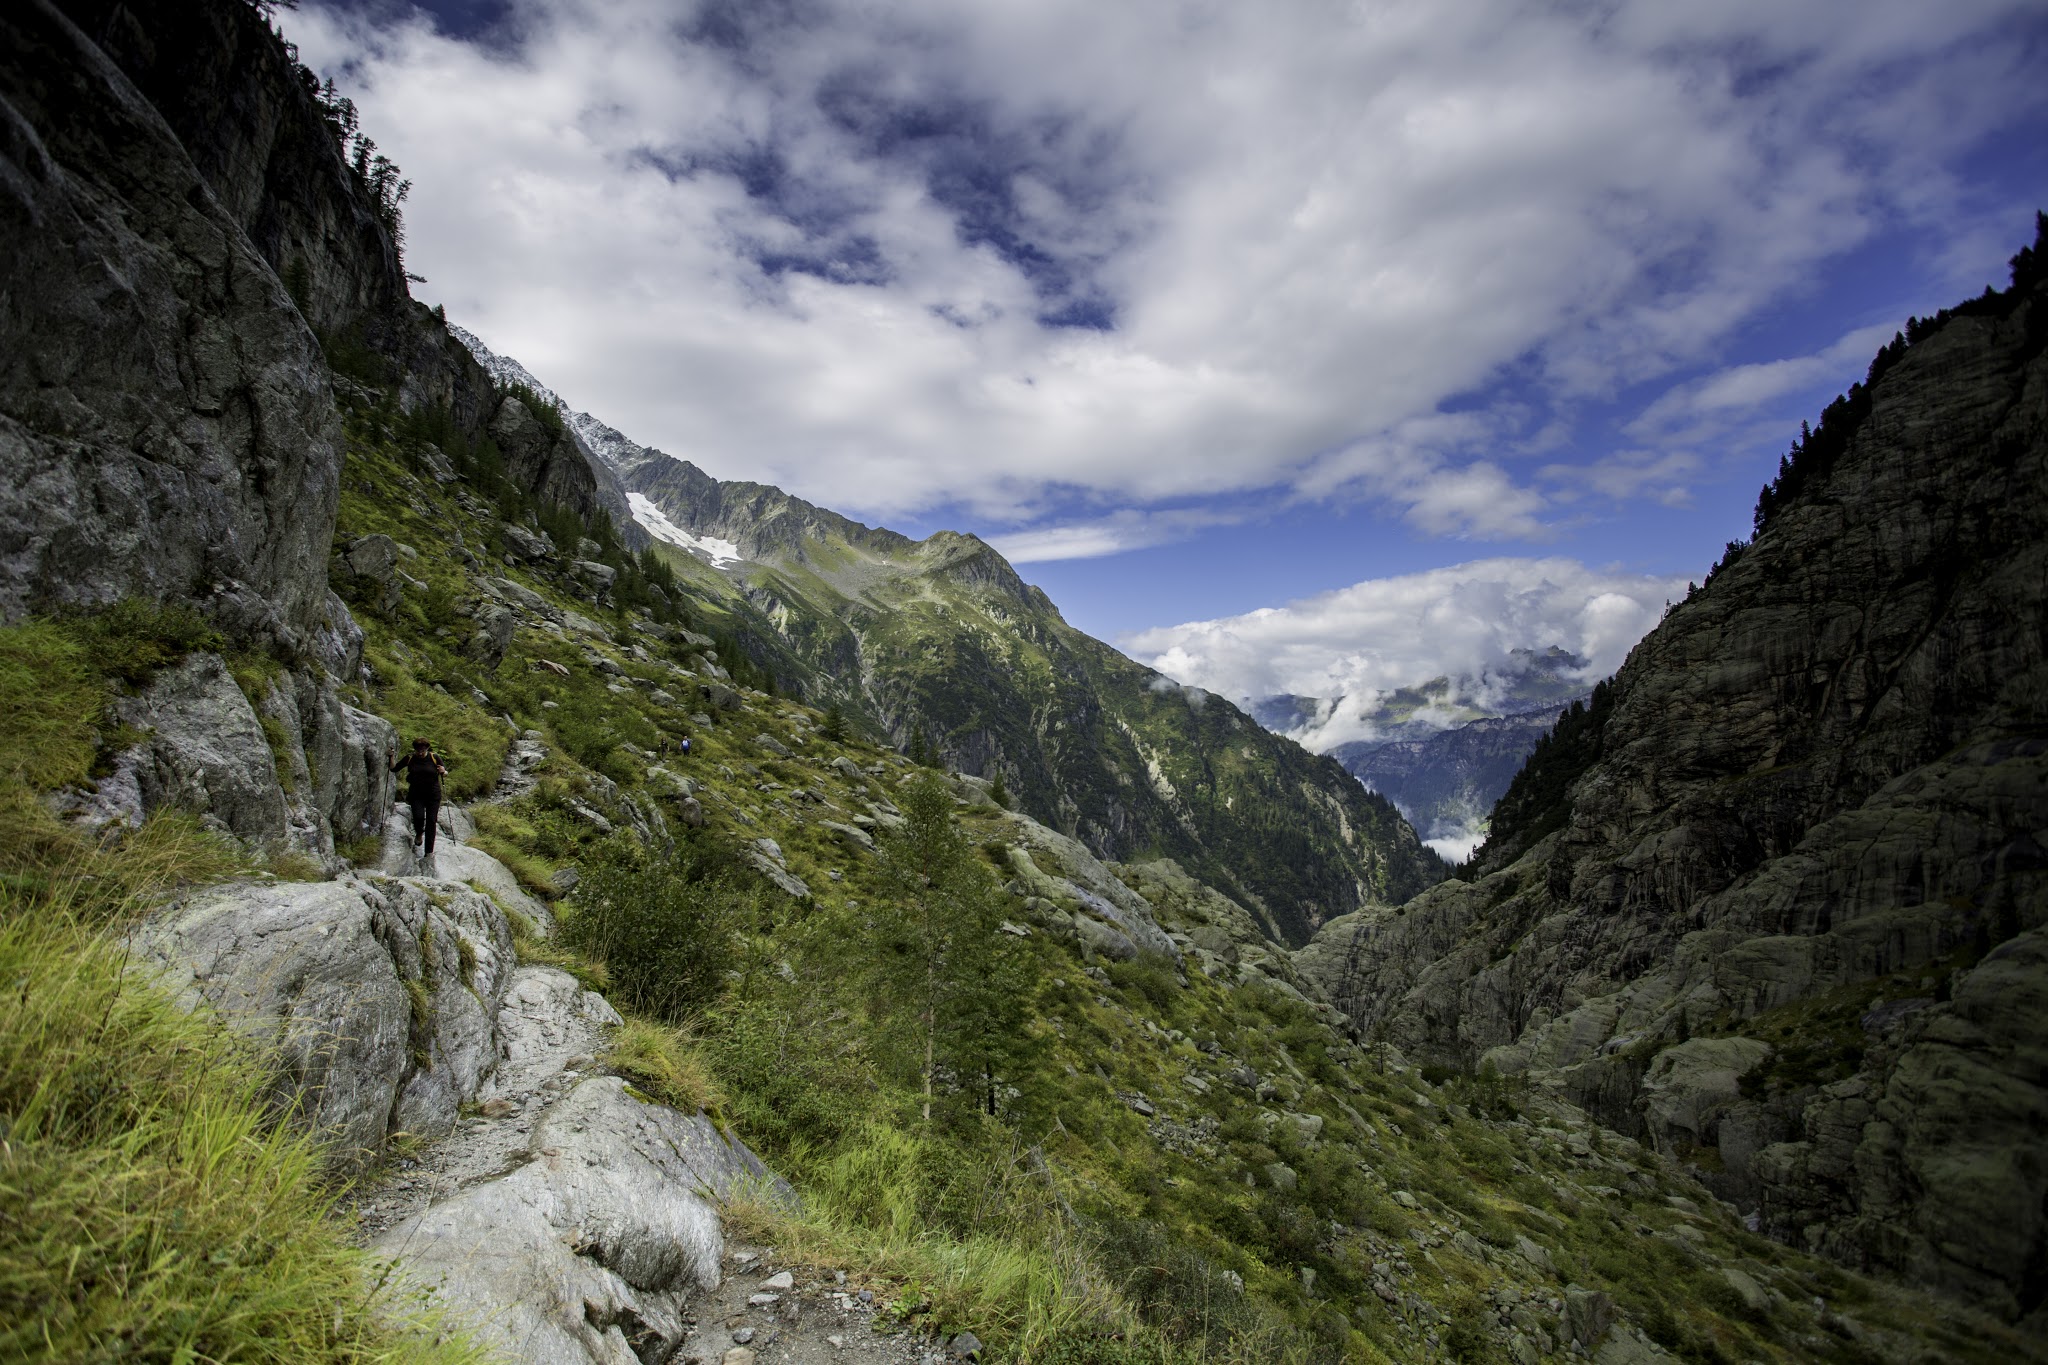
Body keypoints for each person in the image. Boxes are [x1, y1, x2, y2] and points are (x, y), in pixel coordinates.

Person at [391, 738, 448, 858]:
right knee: (418, 817)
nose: (421, 753)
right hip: (416, 794)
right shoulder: (410, 758)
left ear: (427, 748)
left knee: (431, 821)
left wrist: (444, 771)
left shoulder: (434, 757)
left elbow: (443, 772)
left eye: (423, 750)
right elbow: (394, 768)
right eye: (418, 750)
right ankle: (419, 833)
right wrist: (391, 757)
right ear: (415, 749)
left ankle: (429, 852)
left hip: (433, 794)